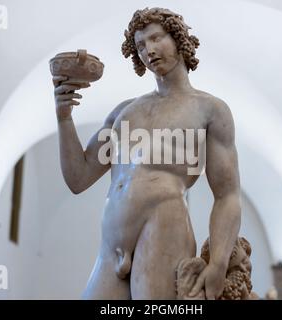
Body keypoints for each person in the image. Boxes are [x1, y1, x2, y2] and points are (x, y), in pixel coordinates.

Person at [52, 7, 241, 299]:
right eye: (140, 45)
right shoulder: (124, 112)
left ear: (179, 40)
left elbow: (227, 195)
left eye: (156, 38)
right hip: (111, 243)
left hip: (164, 227)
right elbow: (78, 178)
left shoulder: (210, 109)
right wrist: (64, 117)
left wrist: (218, 263)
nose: (148, 50)